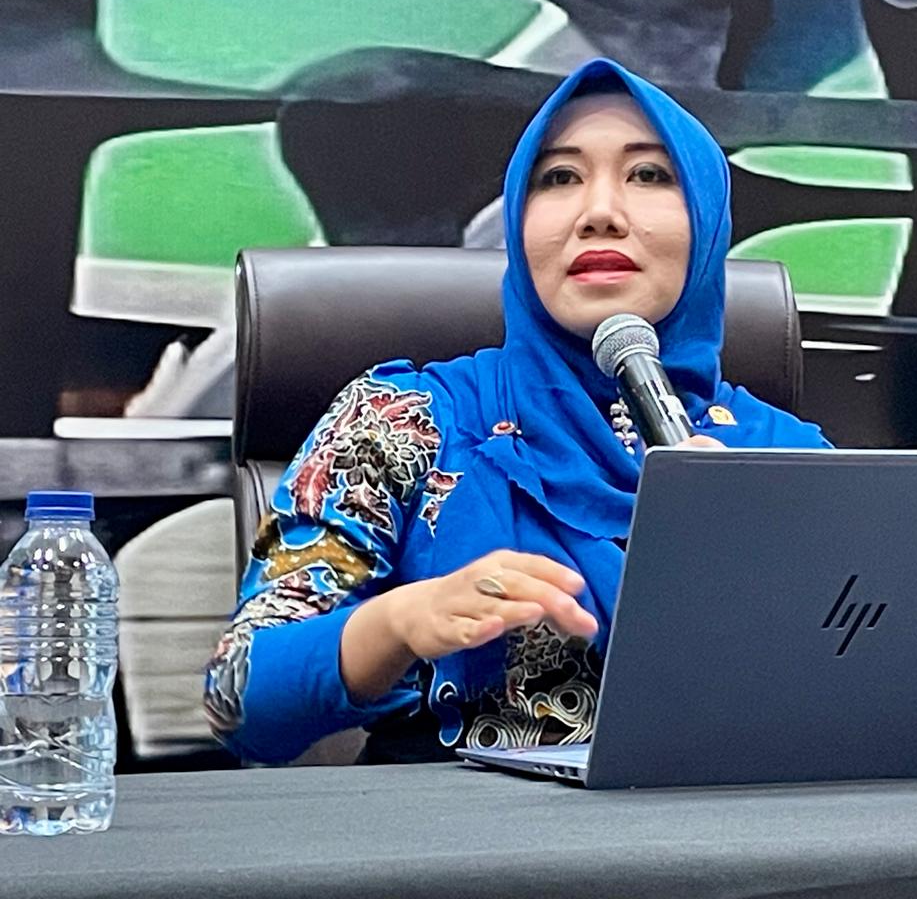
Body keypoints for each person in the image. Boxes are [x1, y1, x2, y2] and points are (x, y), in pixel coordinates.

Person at [203, 57, 831, 765]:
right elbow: (235, 699)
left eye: (649, 175)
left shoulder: (788, 456)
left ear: (709, 222)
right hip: (456, 829)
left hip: (726, 825)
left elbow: (870, 698)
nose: (600, 212)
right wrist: (400, 621)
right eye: (558, 177)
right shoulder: (405, 420)